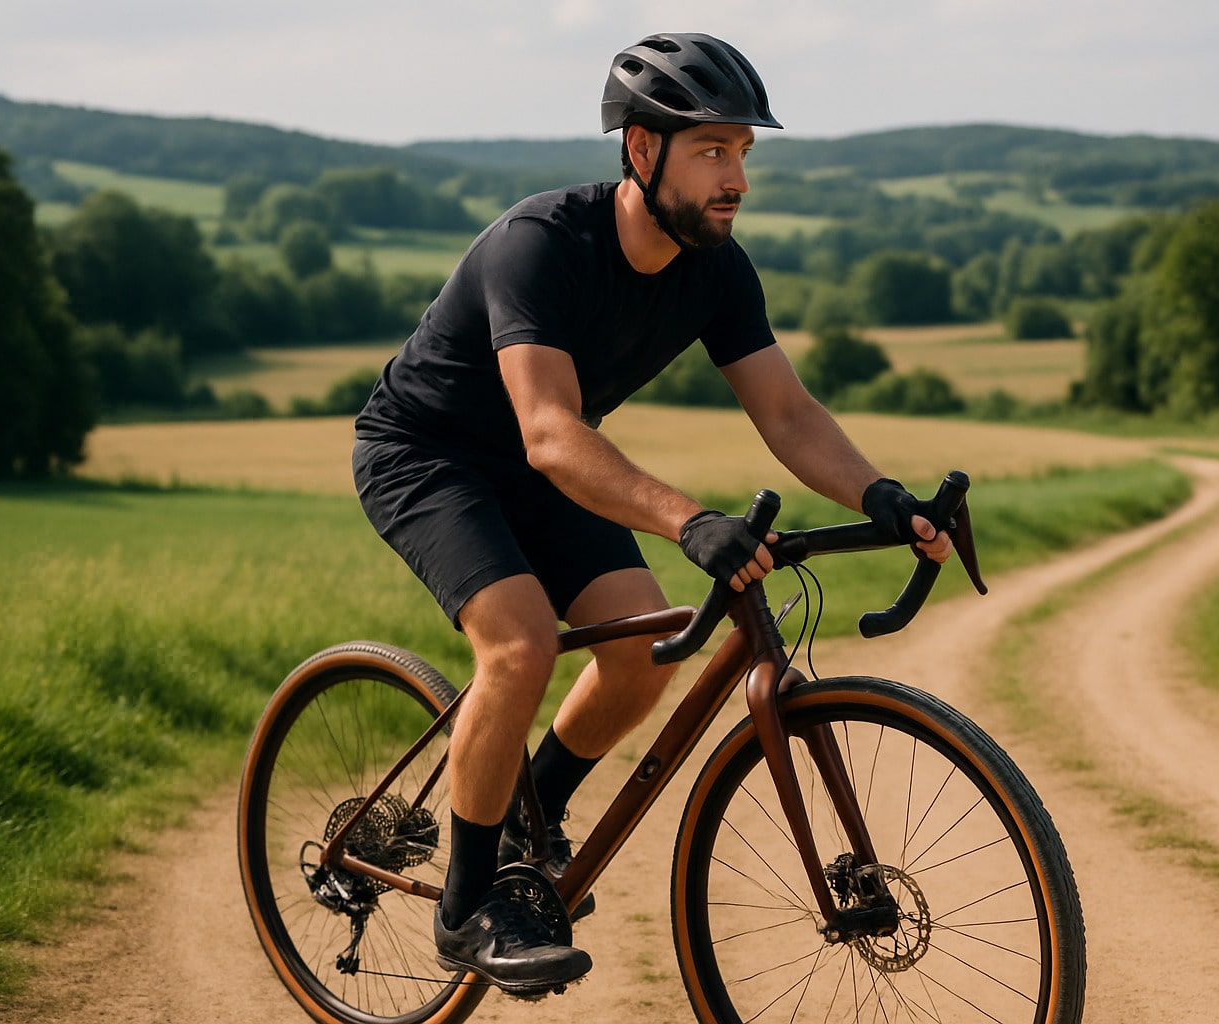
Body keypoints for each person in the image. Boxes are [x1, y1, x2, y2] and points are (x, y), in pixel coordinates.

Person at [352, 31, 952, 994]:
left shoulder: (717, 270)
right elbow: (549, 431)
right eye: (713, 150)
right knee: (520, 645)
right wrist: (688, 520)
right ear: (641, 150)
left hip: (547, 466)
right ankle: (468, 912)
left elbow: (789, 415)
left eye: (744, 153)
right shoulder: (539, 246)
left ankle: (526, 825)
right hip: (432, 455)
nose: (737, 179)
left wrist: (882, 496)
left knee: (643, 653)